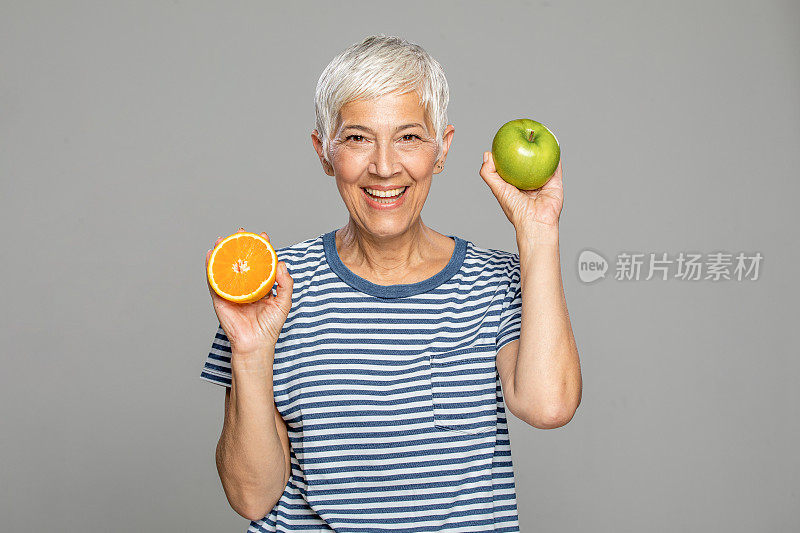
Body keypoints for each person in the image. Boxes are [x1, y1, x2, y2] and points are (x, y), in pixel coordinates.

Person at [200, 34, 582, 532]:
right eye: (358, 138)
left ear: (441, 150)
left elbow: (549, 406)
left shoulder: (497, 281)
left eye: (409, 137)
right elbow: (252, 498)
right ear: (324, 151)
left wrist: (537, 232)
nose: (384, 166)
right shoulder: (271, 286)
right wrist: (250, 352)